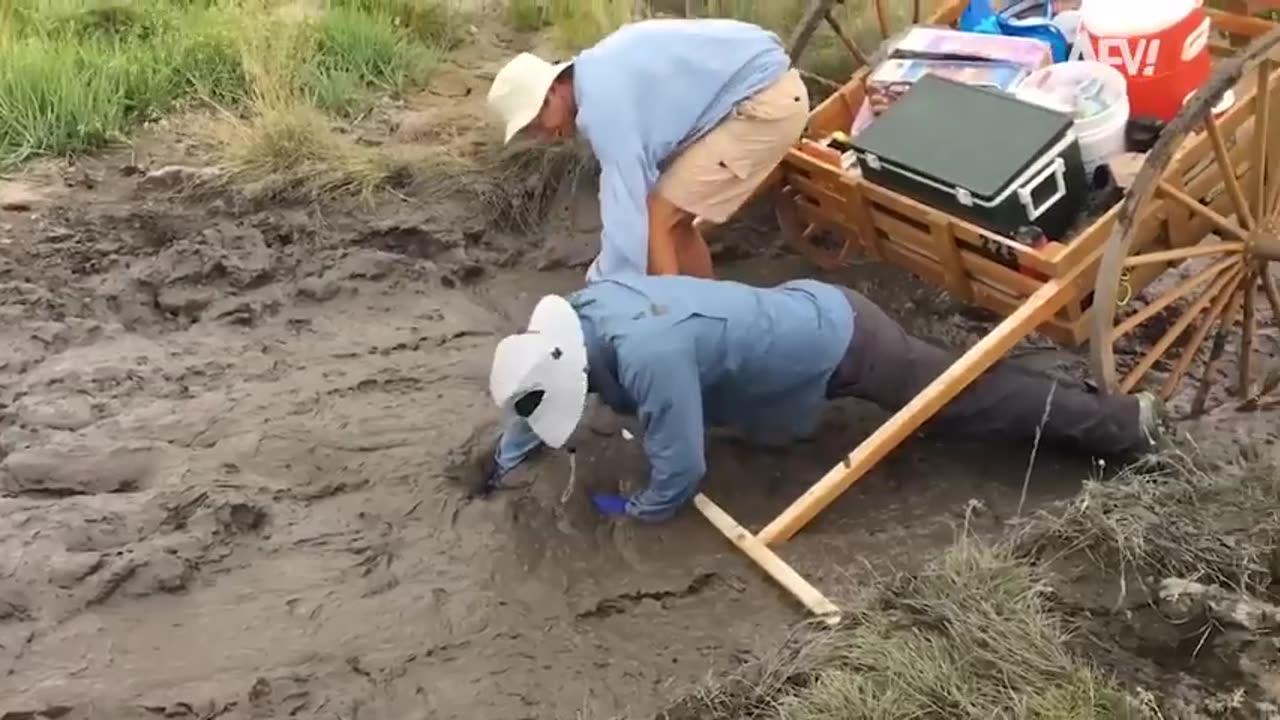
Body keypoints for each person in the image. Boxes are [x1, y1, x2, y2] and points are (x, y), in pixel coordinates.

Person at [472, 274, 1169, 522]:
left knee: (961, 401)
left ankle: (1123, 425)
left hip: (844, 343)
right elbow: (544, 388)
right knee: (950, 383)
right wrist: (504, 460)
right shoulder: (590, 311)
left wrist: (637, 512)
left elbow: (680, 471)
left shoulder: (648, 356)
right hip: (801, 309)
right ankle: (1058, 385)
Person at [485, 18, 809, 281]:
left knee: (658, 218)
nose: (543, 135)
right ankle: (705, 313)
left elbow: (626, 210)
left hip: (764, 100)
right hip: (754, 89)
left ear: (553, 90)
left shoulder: (602, 107)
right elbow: (633, 186)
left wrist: (608, 284)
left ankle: (670, 321)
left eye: (536, 122)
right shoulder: (598, 71)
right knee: (673, 219)